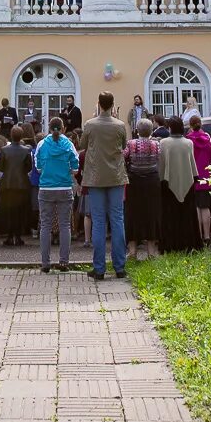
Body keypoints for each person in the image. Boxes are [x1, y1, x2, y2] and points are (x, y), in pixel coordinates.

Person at [80, 91, 128, 281]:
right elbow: (123, 145)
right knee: (117, 220)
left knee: (98, 221)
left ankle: (99, 269)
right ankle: (119, 267)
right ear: (113, 104)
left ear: (98, 103)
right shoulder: (120, 125)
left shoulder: (90, 125)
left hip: (95, 177)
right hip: (116, 176)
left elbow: (83, 144)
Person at [36, 117, 79, 272]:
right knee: (65, 225)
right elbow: (75, 168)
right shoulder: (69, 144)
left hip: (46, 188)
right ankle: (64, 262)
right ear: (63, 128)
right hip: (64, 187)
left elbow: (38, 167)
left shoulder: (42, 144)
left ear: (49, 127)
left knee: (45, 226)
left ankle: (45, 263)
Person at [158, 116, 202, 253]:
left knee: (170, 216)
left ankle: (171, 245)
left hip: (168, 183)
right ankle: (189, 244)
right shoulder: (188, 143)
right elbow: (192, 165)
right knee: (187, 216)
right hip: (188, 183)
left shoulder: (164, 143)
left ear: (170, 128)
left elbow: (162, 164)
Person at [124, 118, 161, 260]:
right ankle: (151, 251)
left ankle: (132, 251)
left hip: (134, 181)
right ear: (151, 130)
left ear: (137, 130)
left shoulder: (131, 144)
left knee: (133, 214)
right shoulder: (156, 144)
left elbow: (123, 156)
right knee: (151, 214)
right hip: (152, 181)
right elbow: (159, 157)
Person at [0, 125, 33, 246]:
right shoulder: (26, 150)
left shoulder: (4, 150)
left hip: (7, 184)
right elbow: (29, 167)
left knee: (9, 211)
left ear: (11, 136)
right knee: (20, 211)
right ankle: (18, 236)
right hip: (22, 184)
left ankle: (9, 236)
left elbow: (1, 167)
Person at [188, 116, 211, 244]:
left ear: (190, 125)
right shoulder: (207, 140)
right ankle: (207, 235)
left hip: (193, 175)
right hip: (206, 176)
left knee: (197, 208)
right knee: (205, 207)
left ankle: (198, 235)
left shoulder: (189, 140)